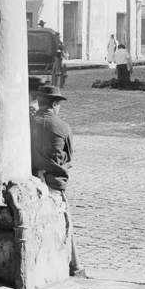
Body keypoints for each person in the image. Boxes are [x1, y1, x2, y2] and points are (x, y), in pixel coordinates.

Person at [29, 84, 84, 277]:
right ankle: (75, 266)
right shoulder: (63, 127)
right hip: (55, 182)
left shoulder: (28, 123)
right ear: (54, 104)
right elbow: (68, 157)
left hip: (32, 180)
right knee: (67, 222)